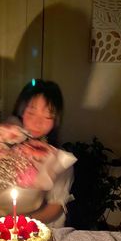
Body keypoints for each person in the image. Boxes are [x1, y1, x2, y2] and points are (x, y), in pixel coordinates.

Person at [10, 78, 76, 228]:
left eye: (47, 116)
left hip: (41, 230)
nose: (38, 123)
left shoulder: (61, 161)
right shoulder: (2, 150)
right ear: (20, 111)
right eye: (31, 112)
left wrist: (20, 222)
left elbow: (55, 207)